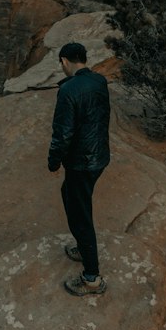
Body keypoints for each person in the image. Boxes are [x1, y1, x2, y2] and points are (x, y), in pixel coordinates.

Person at [48, 42, 110, 297]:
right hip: (99, 157)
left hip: (81, 162)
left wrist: (53, 161)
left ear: (64, 61)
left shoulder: (69, 91)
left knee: (80, 213)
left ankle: (91, 278)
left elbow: (62, 134)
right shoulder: (99, 81)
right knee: (72, 197)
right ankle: (84, 250)